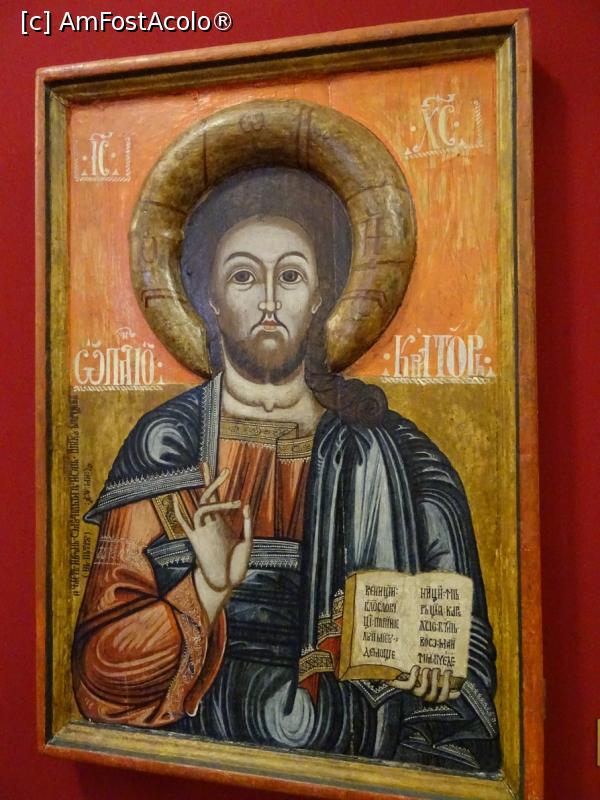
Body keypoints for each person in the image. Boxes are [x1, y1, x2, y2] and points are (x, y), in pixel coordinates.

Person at [72, 169, 500, 772]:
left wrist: (440, 667)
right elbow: (101, 670)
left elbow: (463, 654)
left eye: (291, 276)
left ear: (321, 297)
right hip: (200, 754)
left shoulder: (395, 453)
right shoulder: (169, 445)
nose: (269, 301)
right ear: (208, 298)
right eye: (244, 276)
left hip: (360, 759)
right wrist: (207, 587)